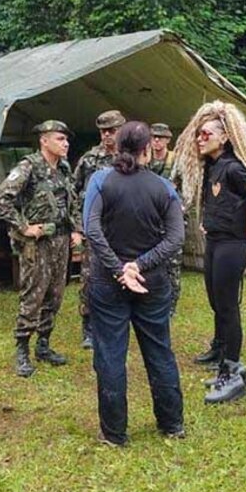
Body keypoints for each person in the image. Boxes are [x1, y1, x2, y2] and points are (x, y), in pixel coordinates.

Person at [83, 121, 186, 445]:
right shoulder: (163, 186)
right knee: (159, 350)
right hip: (152, 282)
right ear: (146, 149)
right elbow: (176, 238)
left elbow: (92, 230)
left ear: (116, 146)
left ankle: (114, 434)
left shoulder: (100, 180)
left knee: (110, 355)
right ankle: (172, 424)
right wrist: (138, 265)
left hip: (108, 283)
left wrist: (120, 269)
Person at [175, 101, 246, 404]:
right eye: (198, 134)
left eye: (206, 134)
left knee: (228, 308)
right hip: (215, 243)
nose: (200, 138)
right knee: (218, 304)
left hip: (232, 246)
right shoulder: (212, 167)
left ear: (225, 137)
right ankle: (226, 364)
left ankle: (233, 372)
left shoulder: (234, 169)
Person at [0, 120, 83, 377]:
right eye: (59, 139)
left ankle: (44, 345)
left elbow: (71, 200)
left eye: (66, 140)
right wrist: (23, 227)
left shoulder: (64, 168)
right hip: (38, 243)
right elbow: (0, 198)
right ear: (44, 141)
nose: (65, 144)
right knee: (33, 295)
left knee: (55, 295)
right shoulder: (29, 166)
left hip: (61, 240)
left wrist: (75, 229)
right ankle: (22, 349)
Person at [73, 110, 126, 349]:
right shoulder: (89, 159)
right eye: (104, 131)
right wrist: (77, 226)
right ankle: (89, 327)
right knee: (90, 277)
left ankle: (118, 322)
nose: (107, 135)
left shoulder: (130, 158)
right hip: (94, 231)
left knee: (123, 274)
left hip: (123, 230)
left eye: (112, 131)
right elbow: (73, 193)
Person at [148, 122, 183, 316]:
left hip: (170, 221)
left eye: (160, 138)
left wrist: (180, 210)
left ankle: (171, 305)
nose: (156, 141)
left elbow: (188, 191)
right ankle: (152, 300)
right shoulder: (145, 161)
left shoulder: (176, 163)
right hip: (150, 221)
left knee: (173, 264)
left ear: (168, 140)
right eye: (153, 137)